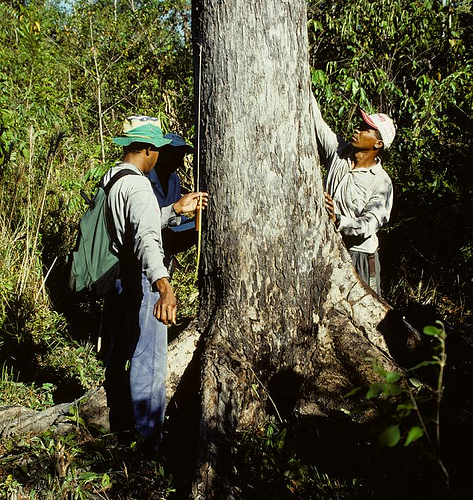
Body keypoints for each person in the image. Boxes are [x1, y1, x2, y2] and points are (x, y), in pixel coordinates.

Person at [103, 115, 208, 455]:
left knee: (121, 353)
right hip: (143, 283)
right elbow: (148, 239)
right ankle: (148, 441)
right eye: (158, 150)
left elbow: (140, 224)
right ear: (147, 149)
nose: (161, 156)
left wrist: (175, 209)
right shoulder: (140, 187)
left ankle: (121, 423)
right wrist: (164, 286)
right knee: (149, 360)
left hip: (120, 281)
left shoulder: (116, 180)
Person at [312, 96, 395, 296]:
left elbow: (369, 224)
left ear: (378, 144)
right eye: (360, 125)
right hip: (326, 248)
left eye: (366, 129)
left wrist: (338, 219)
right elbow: (316, 121)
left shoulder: (381, 183)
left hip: (359, 256)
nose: (357, 130)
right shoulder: (339, 152)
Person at [147, 133, 197, 275]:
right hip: (147, 245)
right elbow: (144, 222)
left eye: (180, 155)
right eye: (173, 154)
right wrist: (176, 208)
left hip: (166, 242)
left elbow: (174, 221)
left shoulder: (174, 180)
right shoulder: (145, 179)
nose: (177, 160)